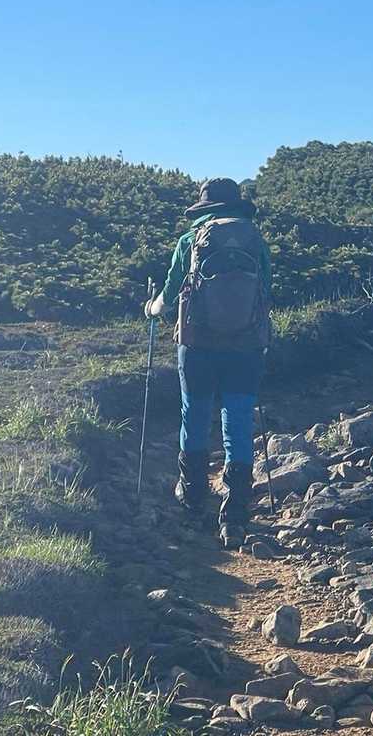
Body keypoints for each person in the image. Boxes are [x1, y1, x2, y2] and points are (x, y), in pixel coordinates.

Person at [144, 177, 272, 547]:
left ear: (205, 207)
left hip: (197, 344)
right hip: (246, 345)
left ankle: (193, 502)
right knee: (238, 421)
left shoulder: (191, 240)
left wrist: (152, 308)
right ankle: (235, 516)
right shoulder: (255, 239)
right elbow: (266, 292)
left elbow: (169, 295)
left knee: (195, 415)